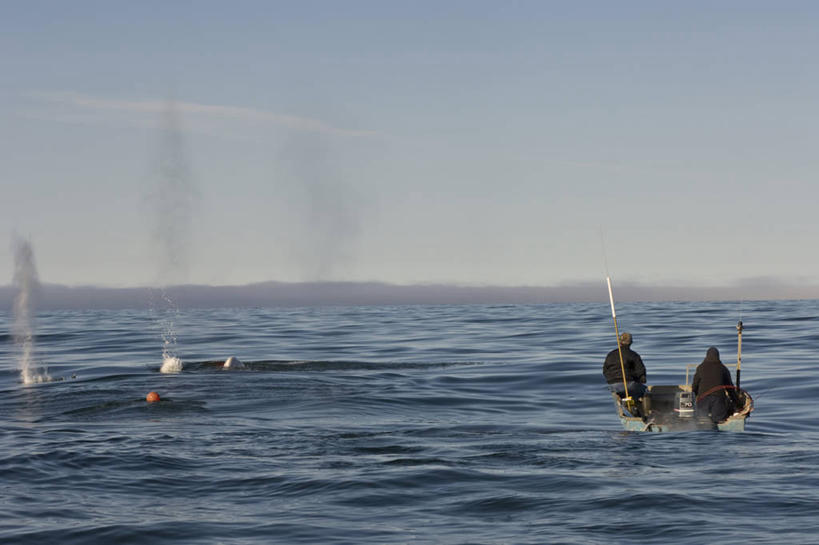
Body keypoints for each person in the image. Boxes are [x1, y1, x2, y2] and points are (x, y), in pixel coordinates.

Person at [692, 346, 740, 423]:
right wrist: (738, 405)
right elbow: (730, 389)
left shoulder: (700, 368)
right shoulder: (723, 369)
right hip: (718, 401)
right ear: (718, 356)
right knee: (719, 420)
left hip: (703, 401)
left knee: (702, 420)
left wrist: (693, 400)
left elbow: (694, 387)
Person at [603, 332, 647, 400]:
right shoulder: (634, 355)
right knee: (646, 391)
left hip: (613, 385)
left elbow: (605, 371)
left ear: (619, 342)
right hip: (629, 385)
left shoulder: (610, 355)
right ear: (631, 342)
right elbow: (641, 373)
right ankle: (639, 405)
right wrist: (640, 380)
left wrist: (611, 381)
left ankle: (623, 401)